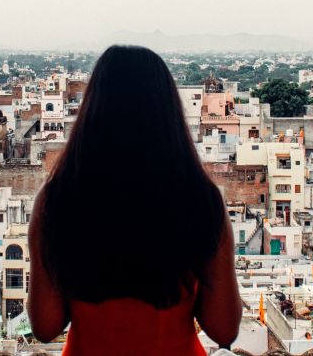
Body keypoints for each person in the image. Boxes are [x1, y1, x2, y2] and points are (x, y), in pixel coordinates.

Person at [29, 45, 241, 355]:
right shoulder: (199, 199)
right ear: (168, 111)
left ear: (93, 110)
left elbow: (45, 327)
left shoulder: (58, 200)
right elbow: (224, 329)